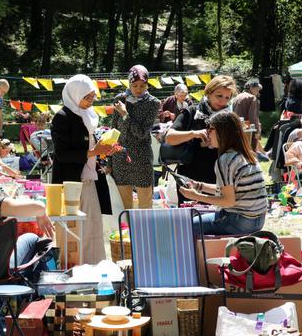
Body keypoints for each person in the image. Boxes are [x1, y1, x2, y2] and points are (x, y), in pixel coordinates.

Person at [51, 74, 117, 264]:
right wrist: (92, 151)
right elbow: (62, 154)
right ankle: (72, 266)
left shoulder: (89, 115)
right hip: (70, 180)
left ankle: (94, 266)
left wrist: (102, 149)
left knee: (92, 224)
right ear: (74, 94)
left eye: (92, 97)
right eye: (86, 97)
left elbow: (90, 146)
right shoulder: (62, 117)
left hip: (90, 178)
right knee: (71, 228)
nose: (90, 101)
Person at [180, 111, 267, 236]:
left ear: (222, 131)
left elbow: (228, 201)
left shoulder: (225, 160)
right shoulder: (245, 155)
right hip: (258, 220)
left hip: (238, 221)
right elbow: (231, 192)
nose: (207, 132)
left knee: (184, 226)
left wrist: (195, 196)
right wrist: (199, 186)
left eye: (210, 129)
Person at [165, 75, 237, 201]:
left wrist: (217, 143)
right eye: (219, 96)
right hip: (190, 177)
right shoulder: (192, 112)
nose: (223, 101)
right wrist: (195, 134)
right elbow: (169, 138)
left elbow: (237, 146)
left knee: (216, 218)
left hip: (220, 178)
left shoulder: (230, 118)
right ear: (208, 93)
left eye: (227, 97)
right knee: (189, 218)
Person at [111, 65, 161, 209]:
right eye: (135, 85)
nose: (139, 89)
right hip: (120, 156)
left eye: (142, 85)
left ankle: (144, 232)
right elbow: (114, 131)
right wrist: (109, 162)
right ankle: (126, 232)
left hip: (141, 157)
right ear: (129, 84)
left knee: (145, 204)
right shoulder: (119, 99)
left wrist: (125, 114)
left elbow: (142, 133)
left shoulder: (153, 103)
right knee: (123, 206)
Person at [232, 79, 263, 151]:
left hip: (236, 127)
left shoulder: (237, 97)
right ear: (251, 88)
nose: (258, 93)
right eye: (257, 90)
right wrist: (257, 132)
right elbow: (253, 117)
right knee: (250, 151)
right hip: (248, 130)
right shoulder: (252, 98)